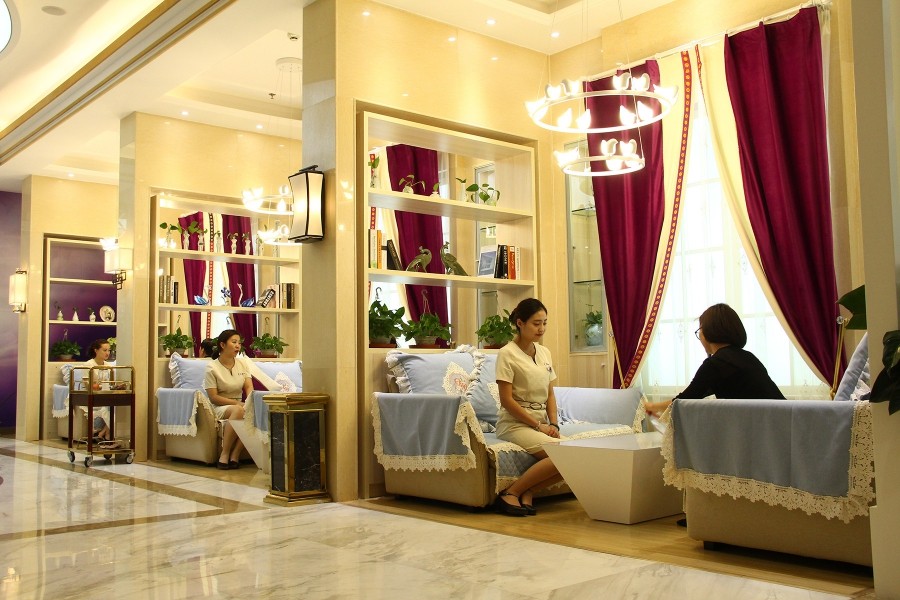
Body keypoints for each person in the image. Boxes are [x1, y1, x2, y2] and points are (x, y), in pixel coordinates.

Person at [645, 303, 785, 415]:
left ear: (708, 331)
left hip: (763, 427)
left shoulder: (716, 364)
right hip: (781, 420)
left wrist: (650, 406)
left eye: (700, 330)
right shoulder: (748, 357)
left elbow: (683, 401)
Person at [493, 298, 563, 517]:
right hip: (514, 424)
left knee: (577, 456)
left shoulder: (544, 352)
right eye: (536, 323)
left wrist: (553, 424)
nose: (541, 328)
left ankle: (528, 490)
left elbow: (550, 394)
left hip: (540, 422)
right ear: (520, 323)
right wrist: (538, 426)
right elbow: (506, 401)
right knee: (564, 455)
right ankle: (510, 493)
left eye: (544, 323)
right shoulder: (507, 353)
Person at [204, 329, 251, 470]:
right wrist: (237, 403)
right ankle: (224, 453)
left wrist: (250, 402)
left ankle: (235, 454)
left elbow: (249, 387)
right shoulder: (212, 367)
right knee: (239, 410)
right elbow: (213, 397)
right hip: (219, 406)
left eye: (239, 343)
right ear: (222, 345)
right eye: (234, 342)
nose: (237, 346)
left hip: (240, 405)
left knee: (253, 411)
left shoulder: (243, 363)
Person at [84, 339, 115, 441]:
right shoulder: (88, 365)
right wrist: (100, 386)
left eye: (109, 350)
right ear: (96, 350)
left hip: (106, 395)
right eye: (104, 350)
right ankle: (106, 434)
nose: (107, 353)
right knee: (110, 407)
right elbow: (87, 385)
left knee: (117, 406)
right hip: (93, 395)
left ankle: (103, 433)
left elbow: (111, 383)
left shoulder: (108, 366)